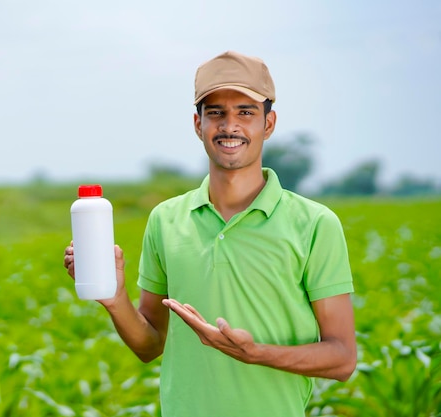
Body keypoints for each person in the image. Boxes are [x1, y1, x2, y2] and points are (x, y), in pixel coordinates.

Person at [63, 50, 356, 416]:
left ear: (268, 124)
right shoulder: (165, 219)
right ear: (198, 124)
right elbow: (149, 344)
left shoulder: (314, 224)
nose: (229, 125)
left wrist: (256, 354)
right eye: (215, 112)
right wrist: (114, 296)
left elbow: (342, 358)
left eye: (245, 112)